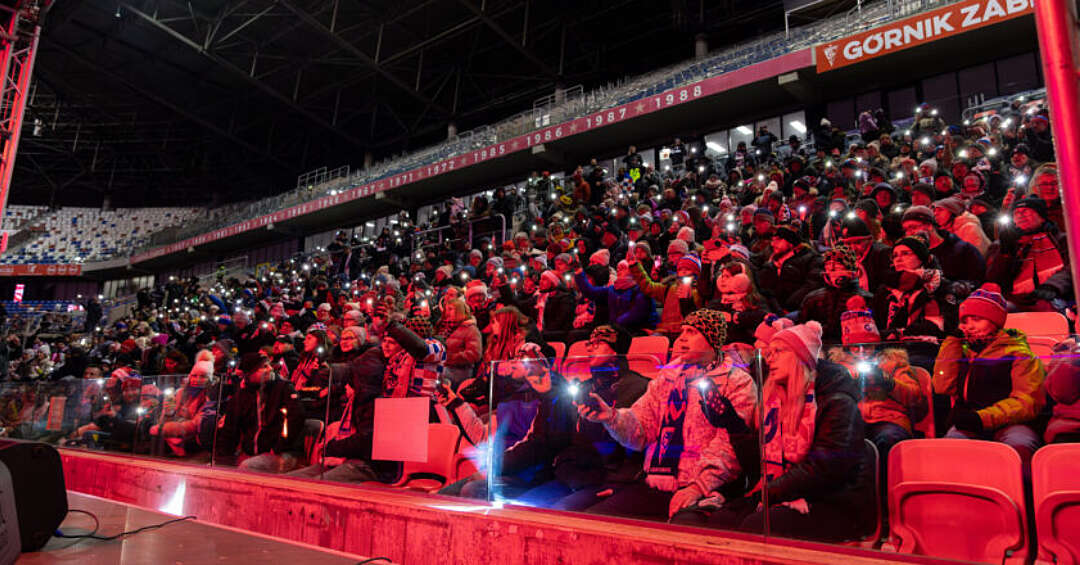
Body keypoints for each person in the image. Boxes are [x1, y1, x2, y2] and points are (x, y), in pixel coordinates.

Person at [674, 321, 875, 543]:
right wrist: (731, 423)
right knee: (716, 522)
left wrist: (764, 495)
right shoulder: (774, 402)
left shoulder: (836, 402)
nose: (769, 359)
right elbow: (757, 465)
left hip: (832, 502)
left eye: (779, 352)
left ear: (802, 357)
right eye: (768, 353)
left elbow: (825, 469)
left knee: (754, 527)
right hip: (782, 492)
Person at [578, 310, 757, 521]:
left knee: (683, 528)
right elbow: (642, 429)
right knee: (598, 520)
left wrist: (698, 487)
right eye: (681, 332)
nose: (681, 338)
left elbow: (729, 446)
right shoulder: (667, 378)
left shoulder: (737, 382)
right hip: (657, 480)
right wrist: (611, 417)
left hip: (708, 487)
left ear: (712, 339)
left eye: (691, 332)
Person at [933, 284, 1046, 465]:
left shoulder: (1019, 354)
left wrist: (982, 418)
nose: (968, 327)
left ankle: (1019, 491)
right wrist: (951, 343)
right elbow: (942, 386)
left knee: (1018, 447)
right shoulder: (962, 351)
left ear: (994, 322)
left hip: (1011, 423)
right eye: (965, 321)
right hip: (970, 421)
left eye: (976, 319)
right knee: (951, 448)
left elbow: (1027, 402)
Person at [215, 352, 306, 473]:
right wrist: (223, 458)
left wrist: (278, 447)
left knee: (247, 467)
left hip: (283, 453)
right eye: (263, 367)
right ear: (250, 374)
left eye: (269, 365)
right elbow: (230, 429)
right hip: (251, 454)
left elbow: (296, 419)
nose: (270, 369)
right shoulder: (241, 396)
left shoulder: (284, 388)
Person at [986, 196, 1072, 311]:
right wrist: (1005, 253)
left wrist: (1052, 286)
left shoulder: (1062, 240)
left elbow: (1072, 269)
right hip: (1014, 300)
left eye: (1027, 211)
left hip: (1055, 296)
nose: (1021, 215)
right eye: (1016, 213)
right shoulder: (1002, 244)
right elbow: (994, 280)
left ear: (1041, 217)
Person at [150, 349, 215, 456]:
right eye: (194, 376)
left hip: (191, 437)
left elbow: (195, 425)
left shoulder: (210, 397)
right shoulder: (181, 392)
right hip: (175, 432)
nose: (197, 380)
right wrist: (168, 412)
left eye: (203, 376)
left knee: (156, 442)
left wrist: (165, 429)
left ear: (210, 379)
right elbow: (168, 417)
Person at [574, 259, 657, 335]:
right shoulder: (613, 289)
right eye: (618, 268)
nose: (618, 270)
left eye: (622, 268)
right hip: (619, 330)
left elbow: (636, 314)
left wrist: (612, 325)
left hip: (641, 330)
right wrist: (579, 271)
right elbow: (590, 292)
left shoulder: (643, 290)